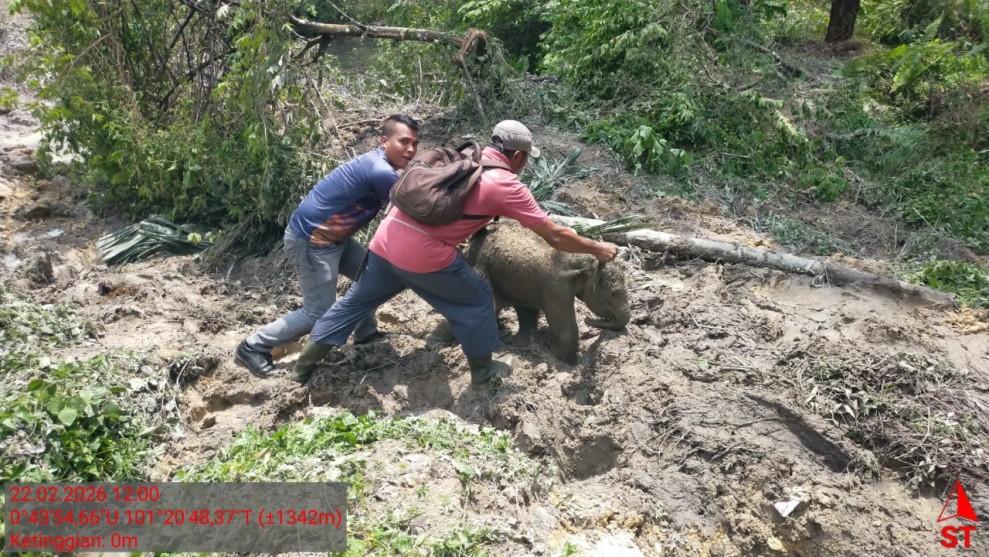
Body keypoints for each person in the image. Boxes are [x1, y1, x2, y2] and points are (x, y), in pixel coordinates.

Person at [290, 120, 619, 385]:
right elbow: (556, 236)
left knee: (353, 303)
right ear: (518, 156)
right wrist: (597, 247)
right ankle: (482, 369)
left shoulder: (464, 157)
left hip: (386, 238)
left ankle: (303, 368)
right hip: (422, 253)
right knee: (476, 297)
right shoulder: (505, 183)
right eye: (526, 158)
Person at [235, 114, 420, 378]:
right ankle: (252, 347)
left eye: (415, 143)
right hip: (312, 241)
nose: (411, 149)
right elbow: (411, 212)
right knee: (318, 311)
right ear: (384, 141)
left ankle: (366, 334)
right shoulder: (381, 172)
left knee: (372, 277)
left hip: (334, 238)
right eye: (404, 141)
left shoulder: (381, 164)